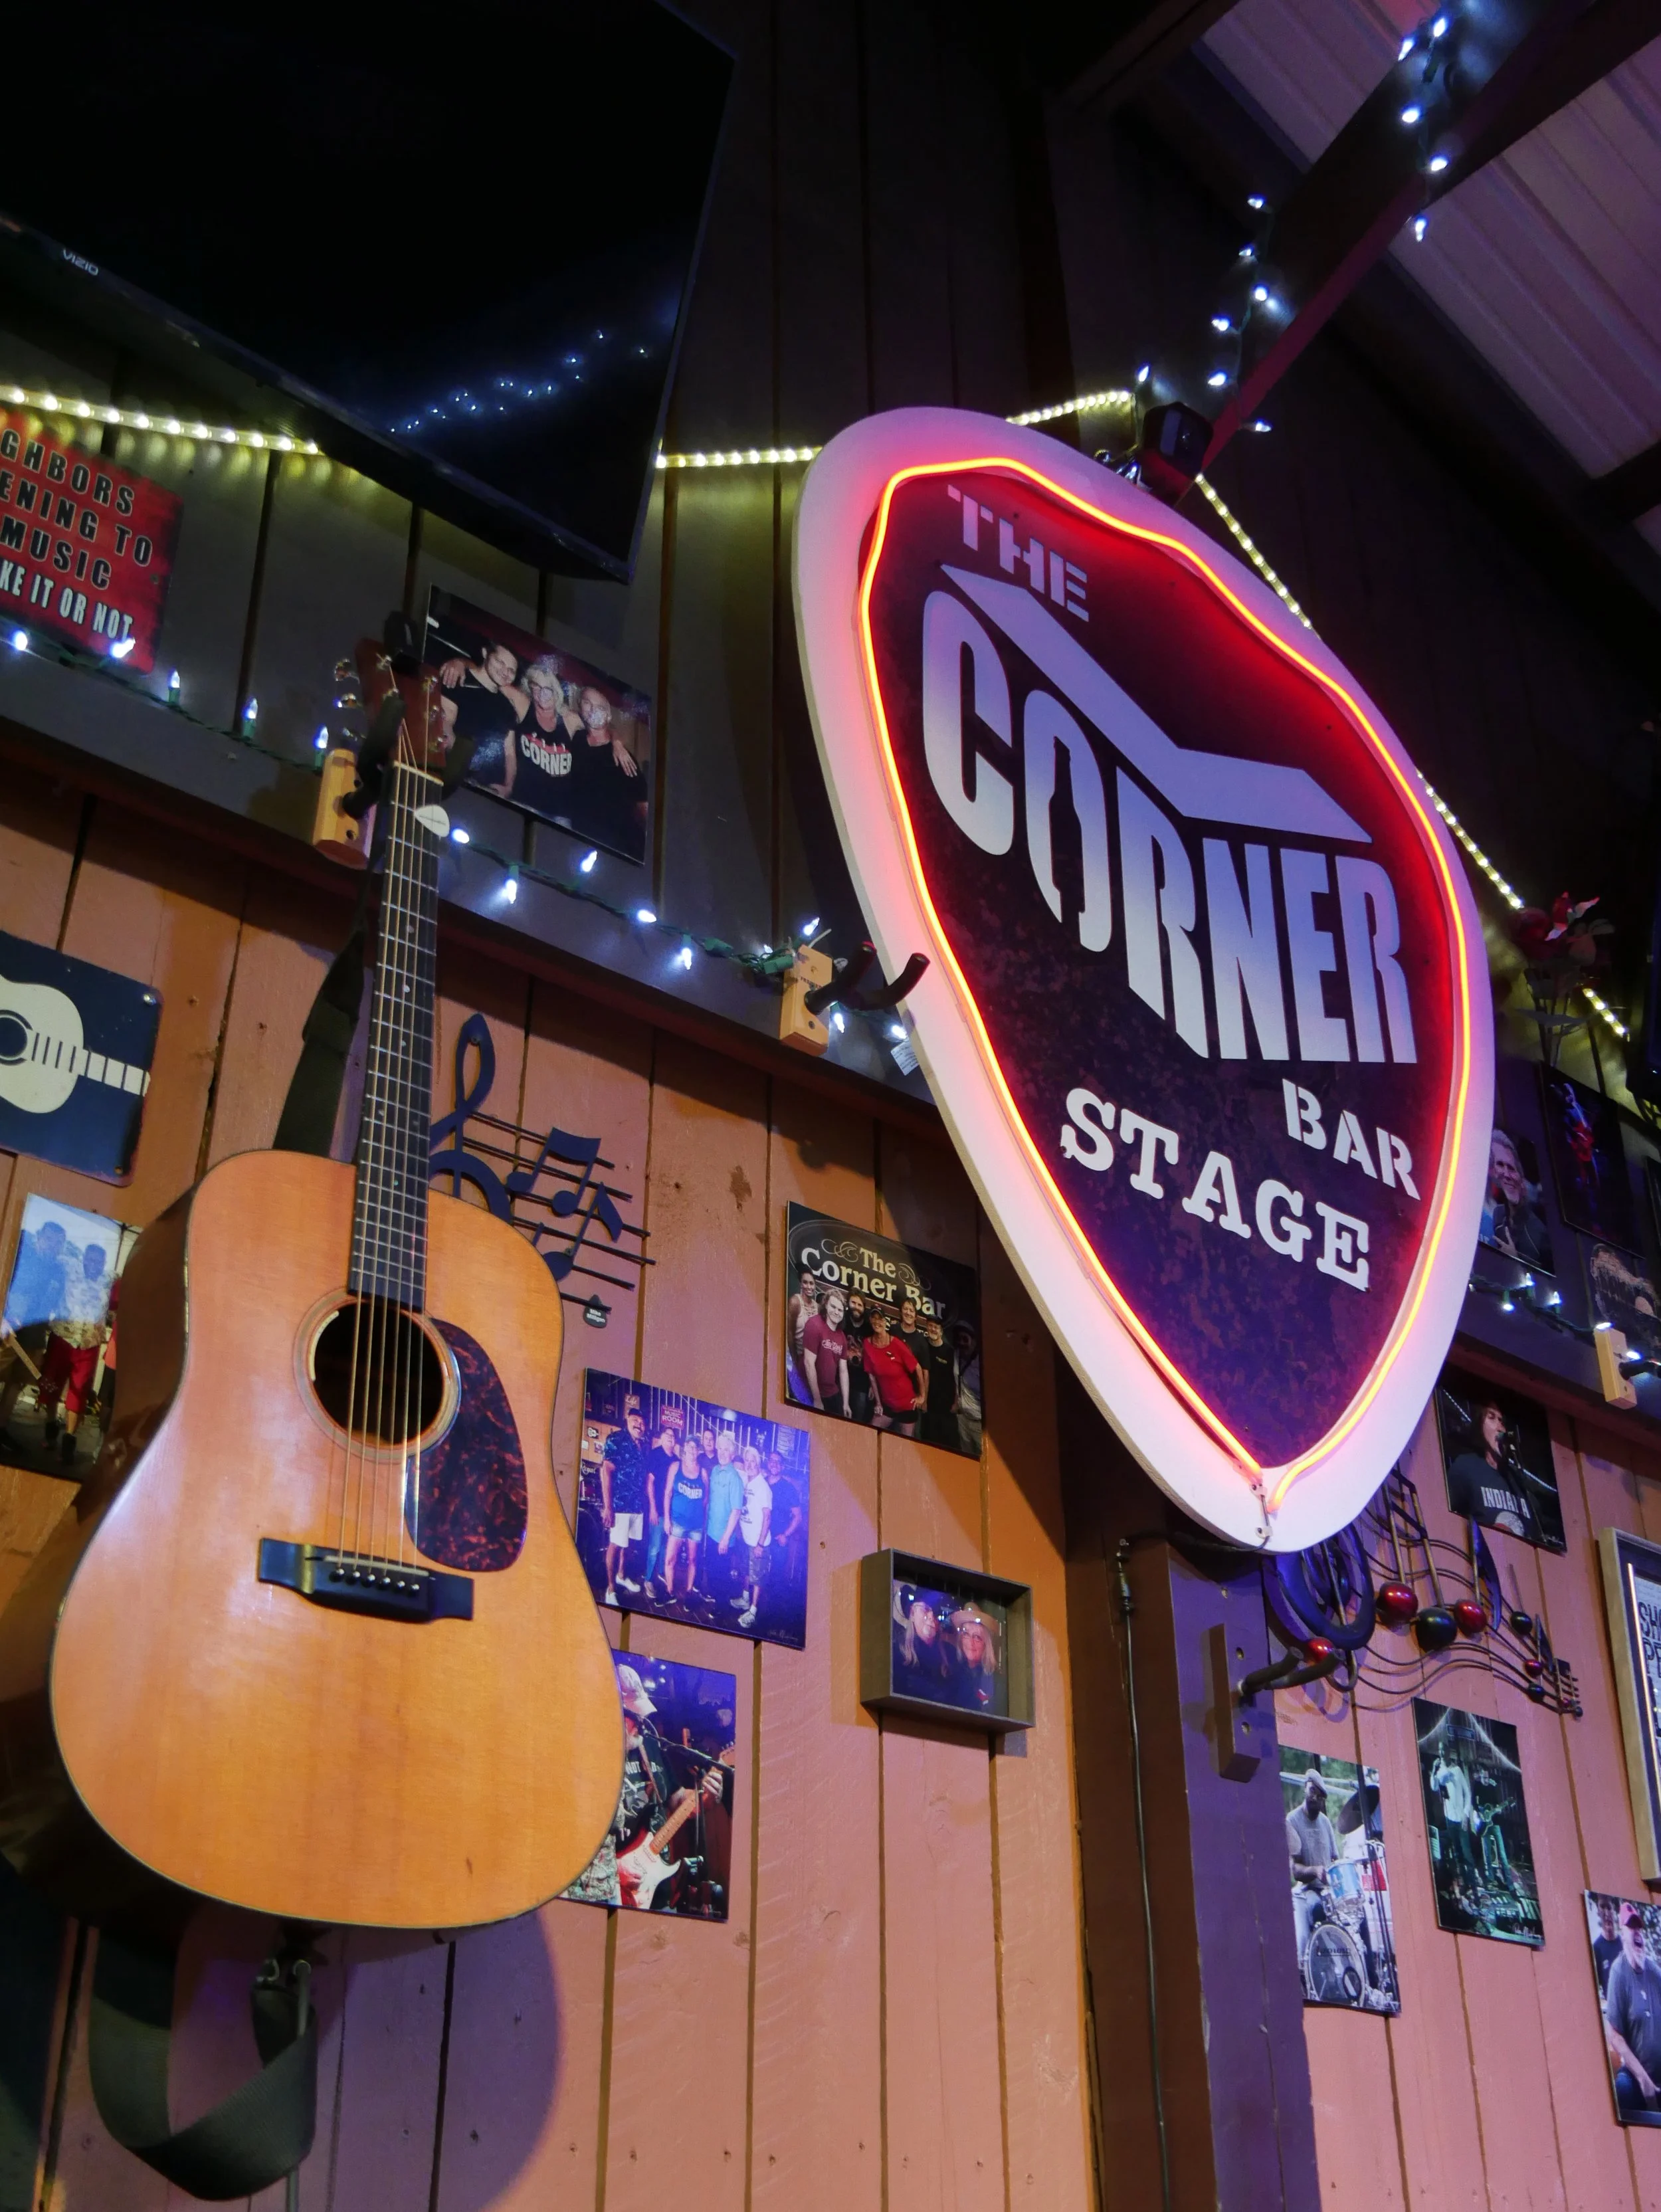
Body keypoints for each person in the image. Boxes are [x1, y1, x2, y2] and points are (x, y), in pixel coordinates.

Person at [35, 1241, 113, 1467]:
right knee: (51, 1384)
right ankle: (50, 1430)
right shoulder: (69, 1268)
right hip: (62, 1337)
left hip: (88, 1345)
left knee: (78, 1394)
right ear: (84, 1258)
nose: (93, 1264)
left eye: (98, 1261)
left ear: (104, 1264)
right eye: (90, 1258)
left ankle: (69, 1442)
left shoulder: (109, 1282)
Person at [0, 1215, 66, 1437]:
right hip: (9, 1328)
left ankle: (1, 1429)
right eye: (49, 1240)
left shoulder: (59, 1270)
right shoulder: (22, 1256)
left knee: (17, 1382)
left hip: (35, 1334)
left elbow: (54, 1302)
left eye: (58, 1243)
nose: (53, 1246)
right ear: (39, 1237)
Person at [435, 640, 526, 798]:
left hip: (487, 791)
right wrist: (459, 756)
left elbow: (510, 752)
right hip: (450, 779)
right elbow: (446, 722)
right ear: (485, 654)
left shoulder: (508, 709)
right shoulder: (459, 679)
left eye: (511, 670)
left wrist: (508, 786)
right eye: (500, 662)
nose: (505, 672)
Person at [567, 687, 646, 858]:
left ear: (609, 715)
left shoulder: (623, 757)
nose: (593, 709)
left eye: (600, 707)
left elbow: (643, 804)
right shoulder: (578, 738)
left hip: (618, 847)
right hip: (580, 839)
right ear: (581, 707)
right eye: (588, 703)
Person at [1445, 1397, 1536, 1540]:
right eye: (1492, 1418)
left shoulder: (1519, 1480)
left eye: (1502, 1421)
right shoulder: (1466, 1467)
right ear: (1480, 1425)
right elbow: (1447, 1516)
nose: (1500, 1428)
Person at [1605, 1907, 1661, 2117]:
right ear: (1623, 1935)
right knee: (1623, 2090)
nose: (1637, 1932)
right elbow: (1615, 2036)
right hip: (1636, 2078)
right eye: (1631, 1927)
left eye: (1639, 1927)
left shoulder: (1656, 1973)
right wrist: (1643, 2079)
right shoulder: (1619, 1972)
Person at [598, 1397, 650, 1607]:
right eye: (635, 1421)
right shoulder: (616, 1440)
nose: (639, 1425)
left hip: (637, 1506)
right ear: (627, 1421)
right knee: (616, 1545)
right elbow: (606, 1471)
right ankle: (610, 1588)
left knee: (628, 1546)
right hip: (619, 1505)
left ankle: (621, 1575)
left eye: (642, 1423)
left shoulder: (642, 1446)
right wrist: (608, 1507)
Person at [1287, 1767, 1339, 1964]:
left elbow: (1335, 1860)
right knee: (1303, 1938)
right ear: (1305, 1789)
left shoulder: (1325, 1823)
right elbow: (1294, 1870)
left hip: (1327, 1892)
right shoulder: (1292, 1821)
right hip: (1305, 1892)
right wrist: (1315, 1871)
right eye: (1312, 1792)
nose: (1315, 1798)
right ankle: (1304, 1972)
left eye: (1320, 1796)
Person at [1480, 1129, 1552, 1270]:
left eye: (1511, 1168)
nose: (1507, 1174)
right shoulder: (1496, 1213)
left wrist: (1515, 1261)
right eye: (1500, 1164)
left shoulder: (1534, 1230)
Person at [860, 1302, 925, 1437]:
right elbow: (871, 1375)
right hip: (887, 1405)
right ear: (870, 1320)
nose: (877, 1322)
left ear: (885, 1321)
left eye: (880, 1319)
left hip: (907, 1404)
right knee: (870, 1433)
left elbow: (918, 1368)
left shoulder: (896, 1344)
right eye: (874, 1318)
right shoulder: (867, 1344)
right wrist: (878, 1403)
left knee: (906, 1444)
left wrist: (922, 1396)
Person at [706, 1428, 747, 1613]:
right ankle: (715, 1599)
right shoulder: (715, 1471)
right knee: (713, 1571)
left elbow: (736, 1511)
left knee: (722, 1574)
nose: (722, 1453)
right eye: (720, 1449)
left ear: (732, 1454)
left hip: (724, 1537)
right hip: (710, 1532)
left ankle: (721, 1608)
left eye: (726, 1450)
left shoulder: (735, 1478)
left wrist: (725, 1538)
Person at [664, 1435, 709, 1598]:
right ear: (684, 1449)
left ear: (698, 1451)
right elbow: (668, 1494)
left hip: (696, 1526)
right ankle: (669, 1591)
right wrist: (667, 1519)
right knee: (670, 1560)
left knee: (692, 1560)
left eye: (695, 1447)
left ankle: (689, 1591)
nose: (691, 1449)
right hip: (677, 1523)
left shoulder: (703, 1473)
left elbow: (705, 1499)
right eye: (689, 1446)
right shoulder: (676, 1467)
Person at [734, 1443, 773, 1631]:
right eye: (747, 1461)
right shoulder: (745, 1481)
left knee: (757, 1578)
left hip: (759, 1543)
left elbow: (767, 1517)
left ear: (759, 1463)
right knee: (746, 1572)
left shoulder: (763, 1486)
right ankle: (745, 1599)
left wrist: (759, 1544)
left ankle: (753, 1611)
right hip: (747, 1540)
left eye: (753, 1461)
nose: (749, 1464)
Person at [644, 1413, 681, 1598]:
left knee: (666, 1547)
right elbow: (649, 1482)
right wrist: (652, 1508)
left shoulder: (677, 1461)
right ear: (661, 1438)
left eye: (673, 1437)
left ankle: (660, 1574)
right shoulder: (655, 1455)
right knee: (655, 1547)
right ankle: (648, 1579)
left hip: (672, 1514)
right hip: (657, 1510)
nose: (671, 1439)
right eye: (668, 1436)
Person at [801, 1287, 854, 1417]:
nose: (837, 1312)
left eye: (840, 1310)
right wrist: (817, 1399)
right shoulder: (814, 1325)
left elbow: (843, 1370)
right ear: (825, 1306)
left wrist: (846, 1403)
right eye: (833, 1307)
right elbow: (809, 1363)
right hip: (809, 1389)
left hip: (830, 1390)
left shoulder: (841, 1336)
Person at [892, 1587, 951, 1694]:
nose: (931, 1617)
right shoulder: (897, 1652)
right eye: (925, 1610)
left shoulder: (948, 1655)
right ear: (913, 1614)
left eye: (936, 1613)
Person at [947, 1606, 1001, 1712]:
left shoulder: (995, 1679)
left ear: (986, 1644)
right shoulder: (953, 1671)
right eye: (966, 1634)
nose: (971, 1643)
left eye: (977, 1637)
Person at [920, 1314, 960, 1449]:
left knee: (946, 1444)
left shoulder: (950, 1352)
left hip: (946, 1407)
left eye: (936, 1327)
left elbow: (956, 1379)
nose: (933, 1329)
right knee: (928, 1442)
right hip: (928, 1406)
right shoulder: (923, 1345)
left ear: (941, 1331)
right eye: (930, 1326)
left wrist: (955, 1402)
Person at [787, 1271, 821, 1399]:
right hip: (798, 1357)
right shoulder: (795, 1302)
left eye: (811, 1283)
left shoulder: (818, 1308)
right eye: (805, 1282)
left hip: (813, 1363)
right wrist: (794, 1362)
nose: (809, 1287)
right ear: (801, 1284)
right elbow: (789, 1333)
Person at [952, 1320, 983, 1458]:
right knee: (966, 1456)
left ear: (974, 1341)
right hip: (963, 1418)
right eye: (959, 1339)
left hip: (979, 1422)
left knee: (983, 1457)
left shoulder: (981, 1363)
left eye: (965, 1339)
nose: (962, 1343)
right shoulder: (957, 1355)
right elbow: (957, 1379)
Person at [843, 1291, 874, 1424]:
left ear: (864, 1307)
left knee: (858, 1420)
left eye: (860, 1305)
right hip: (840, 1378)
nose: (856, 1307)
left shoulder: (870, 1327)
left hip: (862, 1382)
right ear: (848, 1303)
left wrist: (873, 1385)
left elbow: (875, 1358)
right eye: (853, 1303)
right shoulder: (842, 1320)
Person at [1594, 1898, 1625, 2001]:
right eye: (1603, 1907)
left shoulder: (1625, 1943)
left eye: (1609, 1907)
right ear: (1598, 1912)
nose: (1607, 1913)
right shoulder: (1596, 1948)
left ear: (1614, 1911)